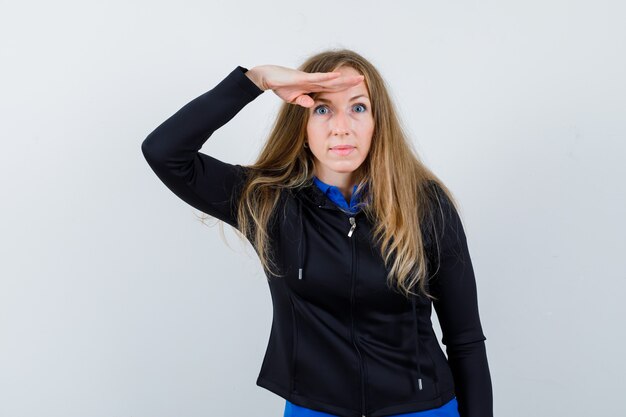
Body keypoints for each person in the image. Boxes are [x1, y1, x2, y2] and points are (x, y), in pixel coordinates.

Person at [141, 49, 493, 417]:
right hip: (315, 409)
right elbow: (164, 151)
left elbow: (464, 339)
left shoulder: (425, 204)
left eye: (358, 108)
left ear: (377, 122)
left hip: (423, 409)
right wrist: (254, 81)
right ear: (302, 123)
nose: (341, 127)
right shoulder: (269, 203)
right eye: (322, 109)